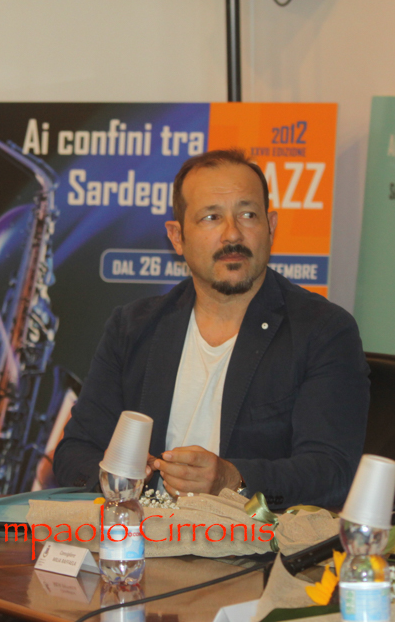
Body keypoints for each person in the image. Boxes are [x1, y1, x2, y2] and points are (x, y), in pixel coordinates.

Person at [53, 149, 370, 509]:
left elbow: (333, 473)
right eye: (211, 217)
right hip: (141, 532)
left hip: (251, 539)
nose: (232, 234)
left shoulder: (323, 330)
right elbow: (74, 452)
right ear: (177, 237)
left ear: (271, 226)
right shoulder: (132, 327)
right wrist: (118, 474)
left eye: (248, 215)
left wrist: (233, 480)